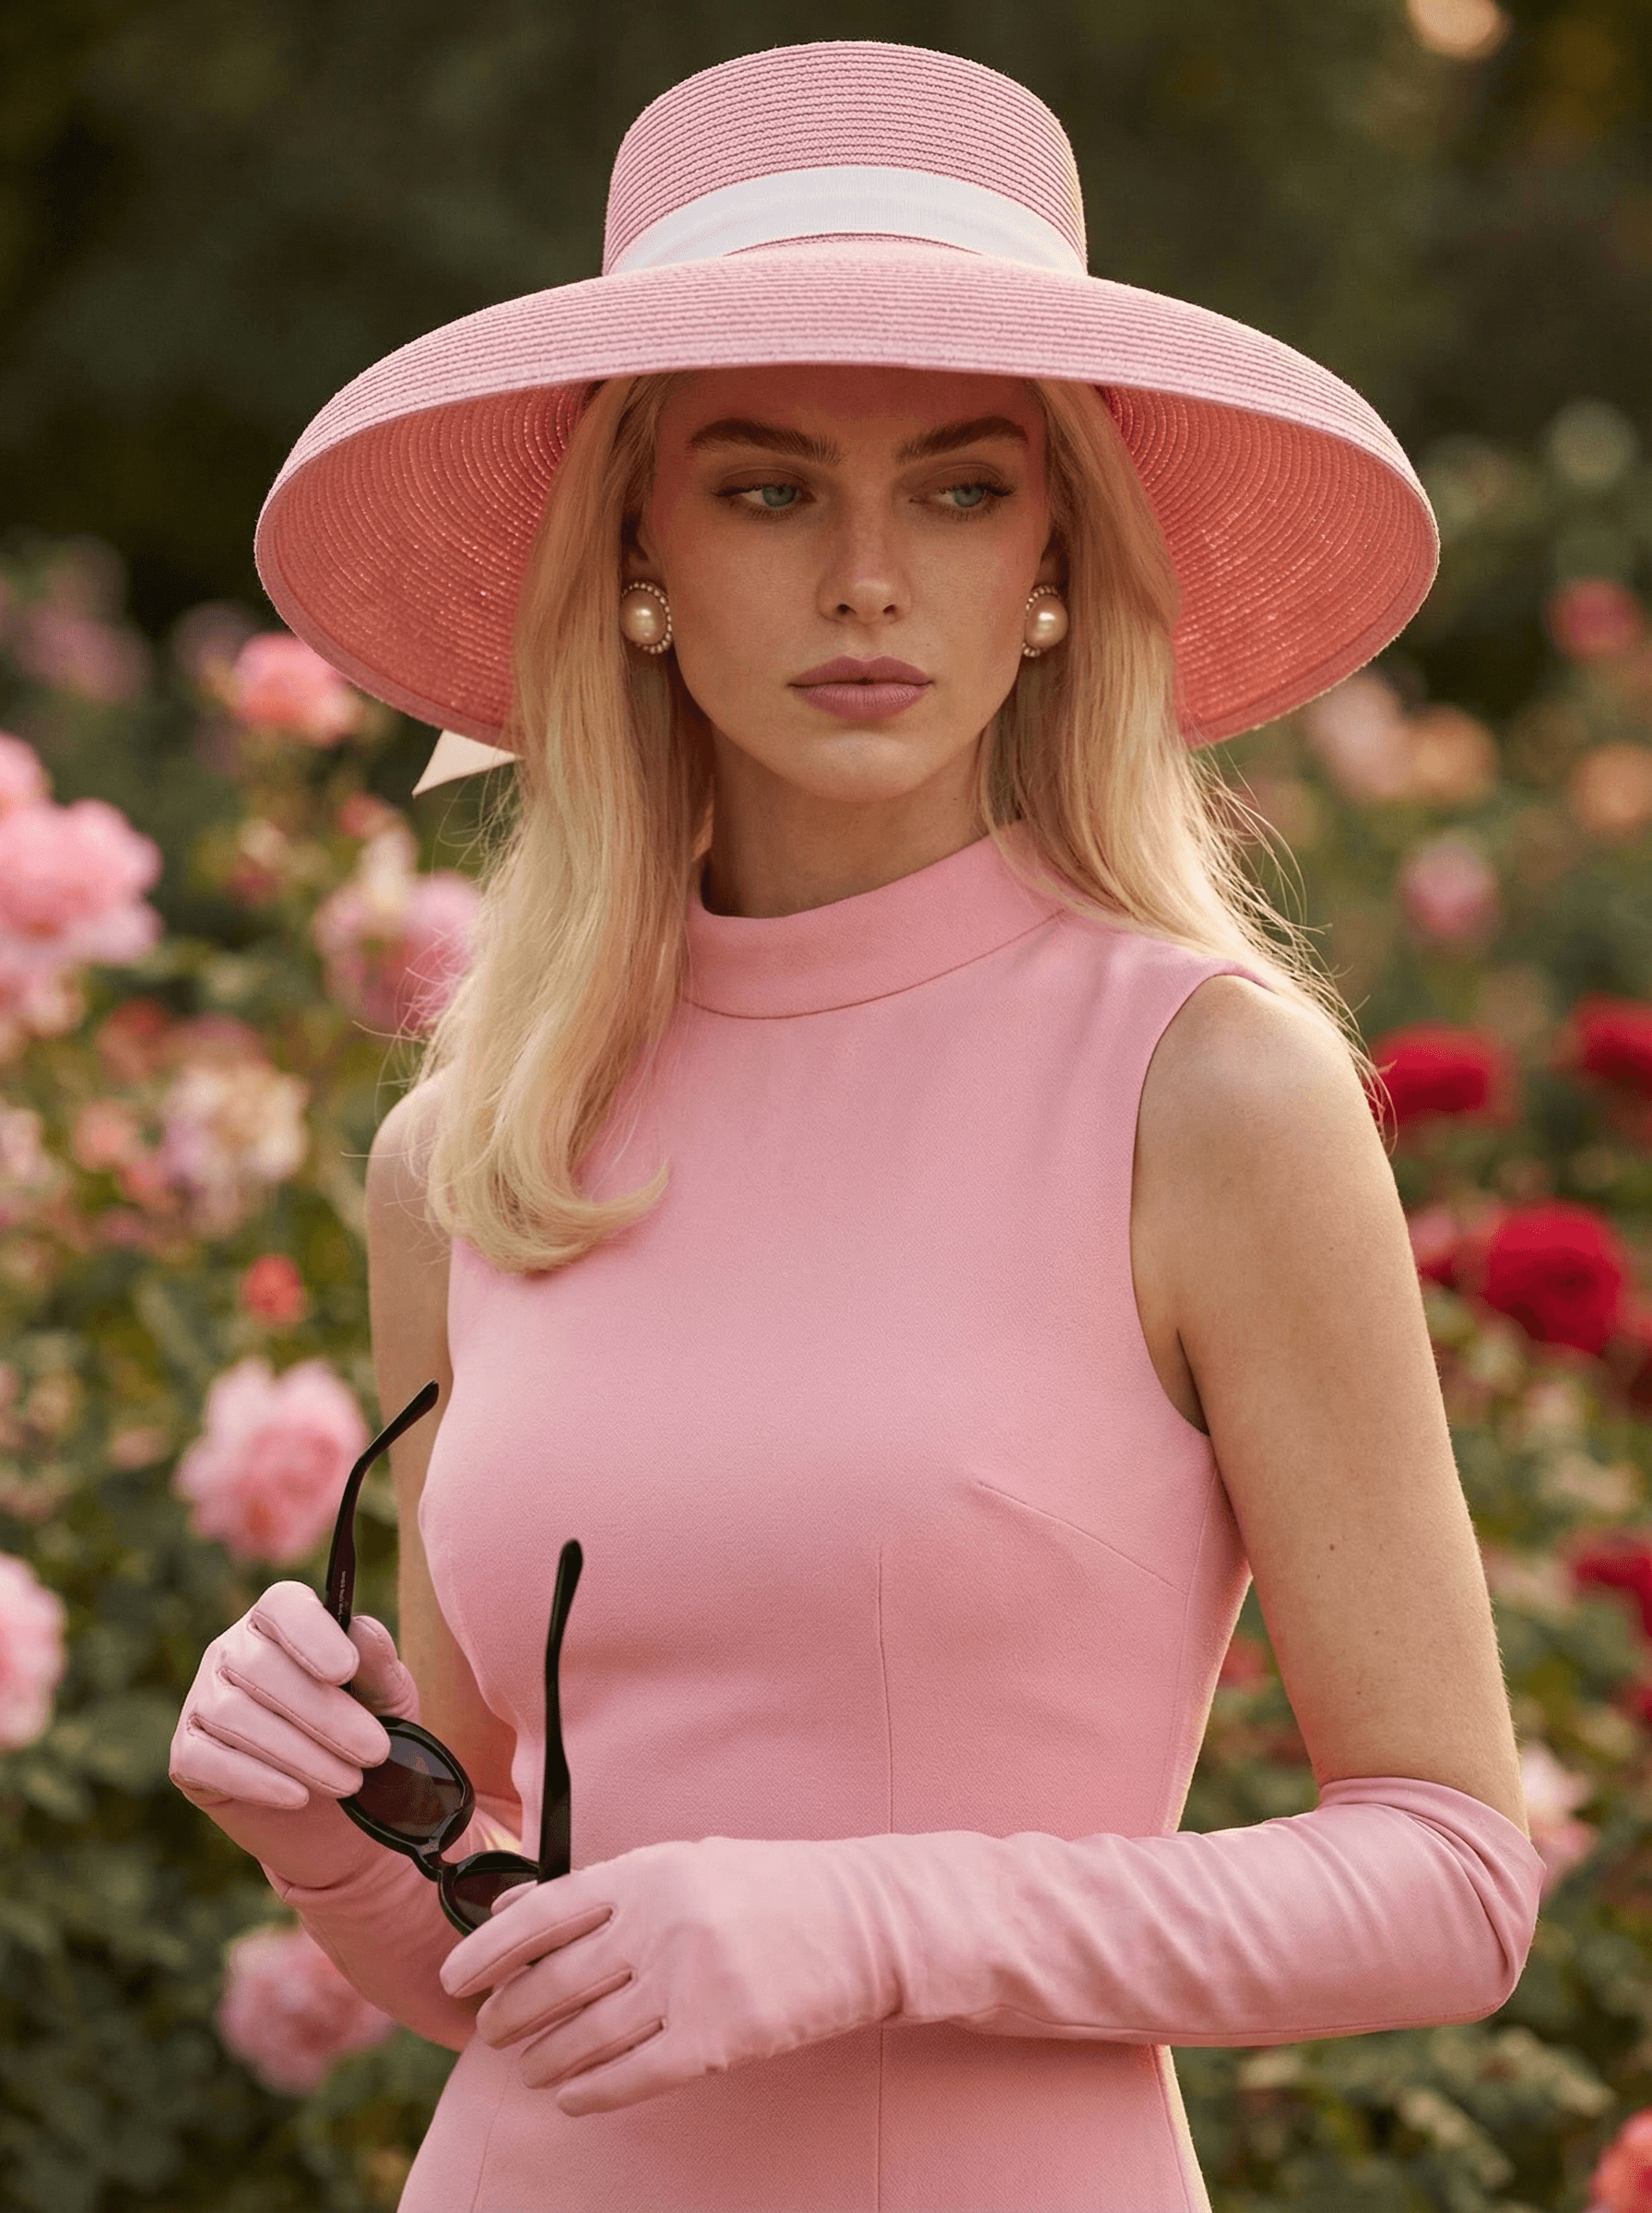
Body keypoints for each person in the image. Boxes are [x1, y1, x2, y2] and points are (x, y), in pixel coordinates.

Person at [170, 40, 1544, 2213]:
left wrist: (856, 1922)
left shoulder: (1205, 1091)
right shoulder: (468, 1156)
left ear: (1058, 558)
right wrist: (326, 1821)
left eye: (961, 486)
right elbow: (497, 1953)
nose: (869, 579)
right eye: (765, 485)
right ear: (638, 544)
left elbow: (1454, 1878)